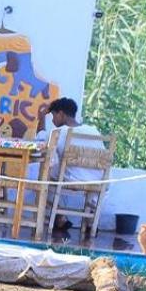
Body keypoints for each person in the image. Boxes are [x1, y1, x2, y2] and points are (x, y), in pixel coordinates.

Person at [38, 97, 104, 231]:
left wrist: (41, 117)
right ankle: (91, 220)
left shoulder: (60, 132)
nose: (53, 120)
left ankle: (60, 217)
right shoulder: (94, 130)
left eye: (54, 116)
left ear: (61, 114)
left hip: (72, 180)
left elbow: (39, 140)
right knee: (56, 169)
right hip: (98, 181)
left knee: (44, 178)